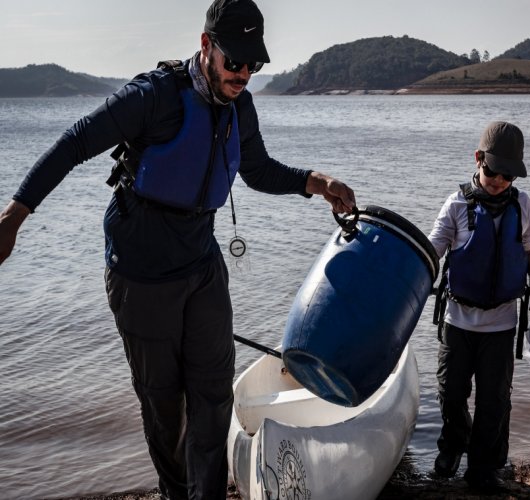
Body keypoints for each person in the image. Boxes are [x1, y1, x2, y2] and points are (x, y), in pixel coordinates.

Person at [0, 0, 355, 498]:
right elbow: (76, 141)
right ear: (206, 46)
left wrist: (316, 183)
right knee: (163, 405)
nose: (244, 74)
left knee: (212, 398)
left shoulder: (240, 106)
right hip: (141, 272)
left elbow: (255, 169)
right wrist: (15, 216)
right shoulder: (154, 96)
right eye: (235, 61)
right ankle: (175, 492)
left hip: (201, 262)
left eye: (254, 64)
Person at [428, 121, 530, 492]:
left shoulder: (522, 204)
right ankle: (454, 444)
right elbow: (432, 250)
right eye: (493, 171)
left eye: (509, 174)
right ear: (478, 159)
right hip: (458, 319)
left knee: (495, 400)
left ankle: (483, 466)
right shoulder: (456, 204)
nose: (500, 180)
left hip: (502, 324)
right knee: (450, 393)